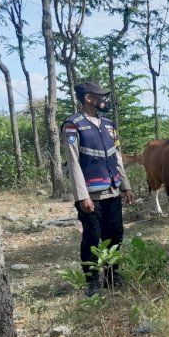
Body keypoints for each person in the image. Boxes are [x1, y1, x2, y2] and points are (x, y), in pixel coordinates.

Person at [62, 81, 135, 296]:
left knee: (115, 235)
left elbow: (117, 157)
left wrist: (125, 186)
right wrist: (82, 196)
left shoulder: (110, 125)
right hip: (91, 196)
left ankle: (113, 275)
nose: (104, 100)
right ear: (88, 98)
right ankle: (92, 280)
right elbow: (73, 162)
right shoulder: (73, 125)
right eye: (100, 96)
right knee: (92, 237)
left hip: (112, 190)